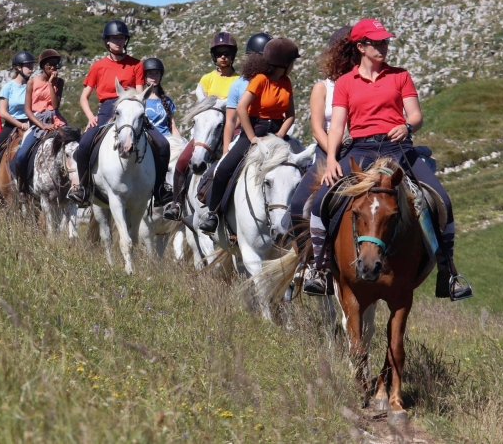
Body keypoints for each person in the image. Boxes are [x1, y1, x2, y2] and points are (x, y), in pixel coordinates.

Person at [307, 18, 473, 301]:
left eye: (385, 42)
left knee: (442, 200)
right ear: (360, 47)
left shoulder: (401, 76)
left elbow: (416, 116)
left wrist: (407, 127)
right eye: (376, 42)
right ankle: (319, 269)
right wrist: (332, 159)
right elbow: (336, 126)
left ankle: (449, 273)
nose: (383, 47)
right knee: (321, 200)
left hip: (399, 148)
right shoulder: (346, 83)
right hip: (360, 149)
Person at [198, 38, 300, 233]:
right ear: (284, 63)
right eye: (292, 62)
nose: (293, 66)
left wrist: (279, 135)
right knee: (224, 169)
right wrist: (252, 137)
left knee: (299, 165)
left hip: (276, 133)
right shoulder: (260, 79)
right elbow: (242, 108)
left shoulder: (287, 82)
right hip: (254, 129)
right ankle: (213, 213)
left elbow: (291, 115)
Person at [67, 20, 171, 207]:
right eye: (114, 38)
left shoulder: (136, 64)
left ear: (126, 41)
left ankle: (160, 189)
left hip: (132, 109)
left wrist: (135, 112)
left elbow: (140, 94)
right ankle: (83, 188)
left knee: (163, 145)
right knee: (83, 146)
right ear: (107, 41)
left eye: (121, 38)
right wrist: (91, 117)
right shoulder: (98, 66)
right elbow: (84, 97)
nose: (118, 41)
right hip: (108, 109)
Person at [284, 27, 352, 266]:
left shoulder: (363, 83)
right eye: (346, 52)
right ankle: (307, 262)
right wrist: (334, 153)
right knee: (297, 204)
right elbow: (317, 128)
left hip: (358, 148)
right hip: (327, 151)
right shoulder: (323, 87)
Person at [162, 31, 240, 221]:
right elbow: (201, 107)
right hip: (207, 130)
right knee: (182, 162)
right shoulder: (206, 79)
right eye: (220, 53)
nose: (223, 56)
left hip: (232, 128)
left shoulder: (239, 81)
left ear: (233, 55)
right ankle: (177, 203)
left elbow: (241, 109)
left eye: (227, 53)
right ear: (214, 56)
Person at [0, 51, 36, 191]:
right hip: (12, 124)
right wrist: (20, 124)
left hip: (31, 123)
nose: (31, 69)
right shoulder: (8, 87)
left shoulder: (33, 85)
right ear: (18, 67)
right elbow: (3, 112)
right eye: (28, 66)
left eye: (31, 66)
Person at [13, 49, 68, 185]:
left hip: (55, 118)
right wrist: (42, 126)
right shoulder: (32, 82)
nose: (53, 67)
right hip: (37, 120)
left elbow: (55, 105)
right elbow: (27, 110)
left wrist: (50, 84)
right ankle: (22, 186)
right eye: (49, 64)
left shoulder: (59, 82)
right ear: (43, 66)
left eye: (55, 64)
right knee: (21, 155)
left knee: (72, 146)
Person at [222, 32, 272, 154]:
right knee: (220, 171)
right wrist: (225, 151)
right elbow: (230, 121)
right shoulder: (238, 84)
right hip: (247, 135)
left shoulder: (276, 82)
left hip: (274, 135)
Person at [142, 57, 180, 138]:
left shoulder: (167, 101)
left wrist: (180, 142)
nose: (154, 77)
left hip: (166, 138)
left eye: (157, 73)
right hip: (148, 140)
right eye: (150, 73)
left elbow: (173, 126)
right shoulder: (141, 100)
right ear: (145, 76)